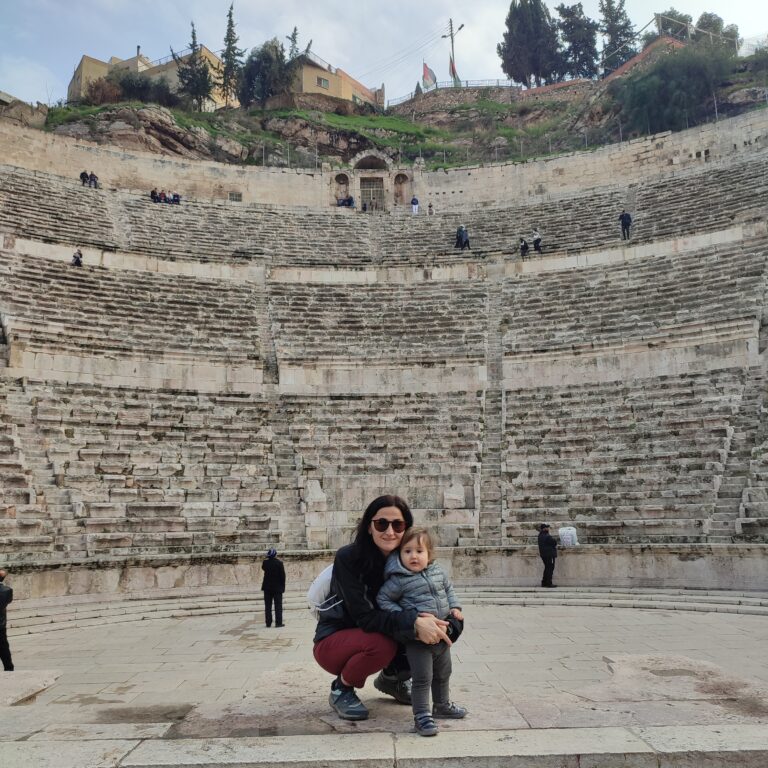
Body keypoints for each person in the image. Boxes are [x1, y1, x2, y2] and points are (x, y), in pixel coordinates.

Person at [313, 495, 451, 722]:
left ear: (406, 527)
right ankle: (341, 688)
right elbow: (364, 618)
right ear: (369, 527)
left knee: (430, 632)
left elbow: (439, 597)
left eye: (397, 525)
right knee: (384, 643)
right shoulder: (349, 558)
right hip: (336, 641)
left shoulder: (412, 557)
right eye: (381, 524)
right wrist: (413, 622)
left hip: (383, 633)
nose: (390, 531)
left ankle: (392, 679)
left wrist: (450, 623)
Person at [377, 527, 467, 737]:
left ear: (429, 554)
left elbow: (449, 589)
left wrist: (455, 608)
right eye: (407, 551)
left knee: (444, 673)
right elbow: (383, 600)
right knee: (422, 678)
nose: (413, 556)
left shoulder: (438, 572)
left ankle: (442, 705)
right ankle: (422, 716)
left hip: (442, 635)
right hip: (418, 641)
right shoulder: (398, 580)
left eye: (419, 551)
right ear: (399, 555)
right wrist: (409, 617)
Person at [261, 548, 286, 628]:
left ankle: (268, 623)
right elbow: (283, 576)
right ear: (275, 554)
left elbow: (263, 568)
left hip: (267, 588)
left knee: (268, 606)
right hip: (277, 588)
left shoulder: (265, 563)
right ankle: (278, 623)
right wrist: (283, 587)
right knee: (278, 606)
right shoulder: (279, 563)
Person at [0, 569, 13, 671]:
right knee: (4, 649)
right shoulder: (7, 590)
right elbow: (8, 601)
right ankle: (9, 670)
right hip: (0, 625)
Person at [538, 523, 558, 588]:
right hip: (549, 555)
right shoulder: (547, 536)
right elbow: (554, 542)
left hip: (543, 555)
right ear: (544, 528)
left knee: (547, 568)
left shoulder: (540, 535)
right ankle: (549, 583)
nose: (548, 528)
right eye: (547, 527)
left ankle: (544, 582)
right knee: (550, 568)